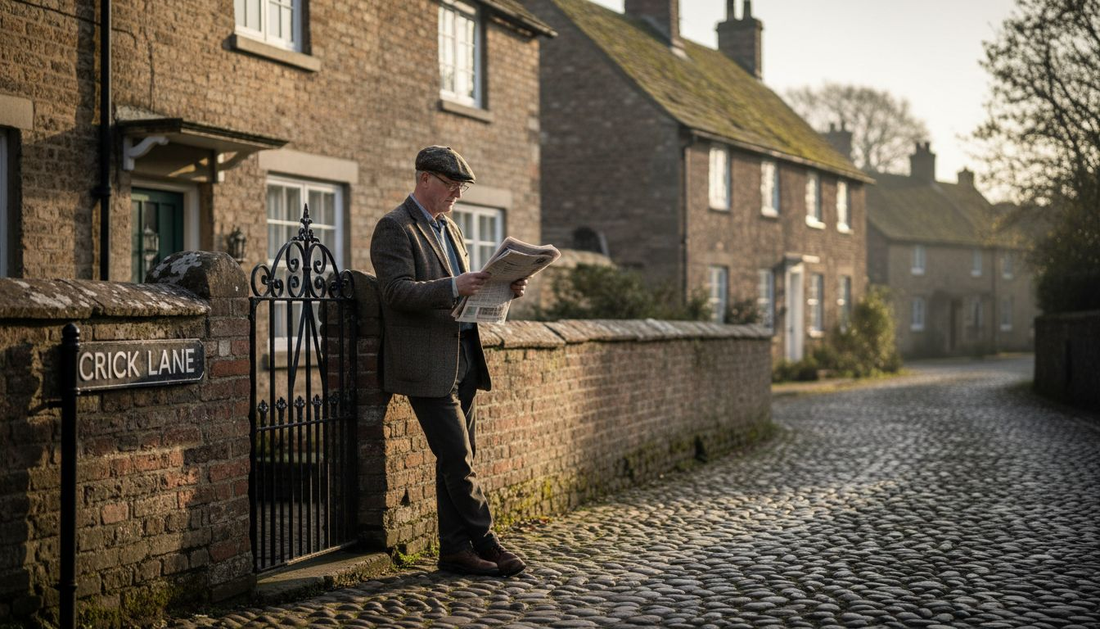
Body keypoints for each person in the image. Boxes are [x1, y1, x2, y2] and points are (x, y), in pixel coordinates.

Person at [370, 146, 529, 577]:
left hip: (464, 357)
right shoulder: (394, 227)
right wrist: (453, 286)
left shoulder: (452, 230)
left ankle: (454, 550)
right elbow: (396, 293)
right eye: (451, 184)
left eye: (461, 186)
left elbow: (464, 289)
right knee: (459, 460)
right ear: (424, 179)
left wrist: (500, 287)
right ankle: (488, 542)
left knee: (458, 460)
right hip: (425, 365)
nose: (457, 192)